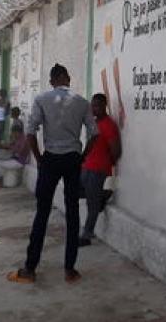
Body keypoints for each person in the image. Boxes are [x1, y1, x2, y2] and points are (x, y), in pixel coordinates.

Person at [7, 64, 98, 285]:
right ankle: (70, 270)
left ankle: (30, 268)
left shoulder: (41, 99)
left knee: (42, 213)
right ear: (68, 78)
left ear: (51, 81)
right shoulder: (82, 102)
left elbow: (30, 132)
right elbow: (94, 134)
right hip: (73, 159)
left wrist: (39, 159)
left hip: (51, 159)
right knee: (73, 213)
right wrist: (83, 156)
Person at [79, 93, 121, 247]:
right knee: (74, 192)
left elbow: (116, 150)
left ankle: (86, 235)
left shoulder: (109, 125)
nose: (93, 108)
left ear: (104, 106)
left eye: (96, 105)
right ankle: (102, 196)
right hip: (86, 167)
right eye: (92, 105)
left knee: (92, 204)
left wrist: (105, 165)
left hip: (98, 170)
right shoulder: (94, 123)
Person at [0, 107, 30, 189]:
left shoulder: (23, 140)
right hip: (15, 159)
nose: (13, 135)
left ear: (18, 132)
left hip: (19, 161)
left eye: (14, 133)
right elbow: (13, 146)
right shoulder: (18, 138)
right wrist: (5, 147)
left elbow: (19, 151)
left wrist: (10, 149)